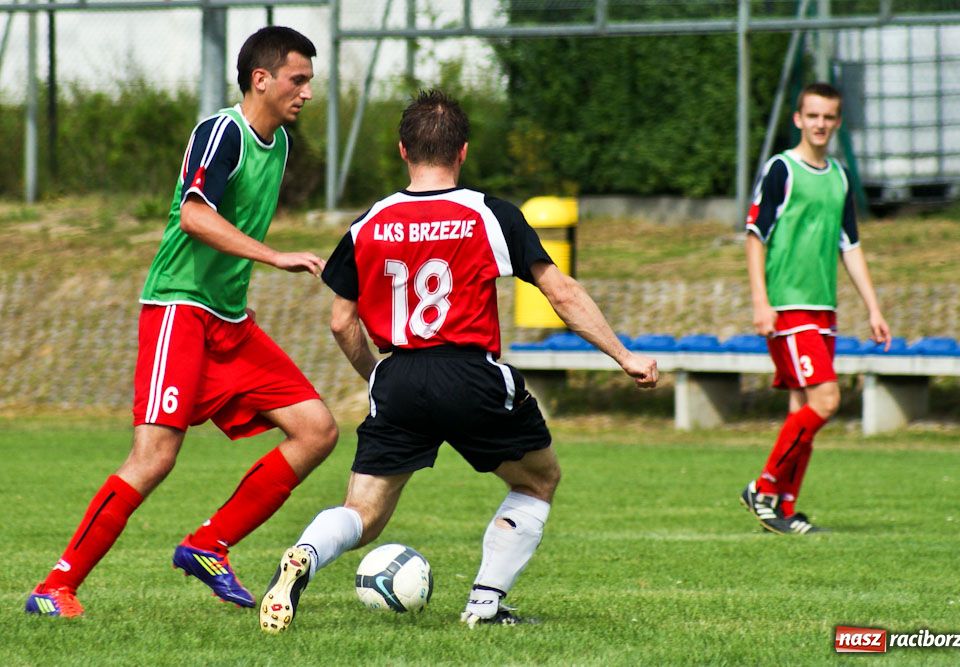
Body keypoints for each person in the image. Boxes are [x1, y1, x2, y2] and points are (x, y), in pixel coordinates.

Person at [257, 89, 659, 634]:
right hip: (470, 373)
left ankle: (305, 552)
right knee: (537, 481)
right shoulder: (490, 214)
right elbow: (560, 292)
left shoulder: (368, 222)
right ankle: (484, 606)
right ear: (463, 151)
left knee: (363, 513)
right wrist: (623, 355)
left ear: (403, 150)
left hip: (399, 376)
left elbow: (340, 321)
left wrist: (377, 376)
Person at [26, 26, 338, 618]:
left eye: (309, 82)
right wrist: (274, 257)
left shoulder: (280, 144)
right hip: (180, 309)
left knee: (317, 429)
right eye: (298, 80)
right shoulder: (222, 132)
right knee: (154, 456)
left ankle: (208, 544)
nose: (306, 92)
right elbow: (194, 217)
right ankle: (54, 587)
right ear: (261, 79)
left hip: (229, 321)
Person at [739, 82, 891, 535]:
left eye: (828, 117)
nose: (820, 124)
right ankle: (762, 489)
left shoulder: (840, 177)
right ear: (798, 119)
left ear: (837, 122)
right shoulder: (781, 169)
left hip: (824, 309)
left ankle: (785, 507)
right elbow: (755, 236)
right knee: (827, 400)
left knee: (802, 408)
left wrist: (874, 309)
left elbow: (851, 246)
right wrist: (760, 301)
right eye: (813, 116)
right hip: (788, 307)